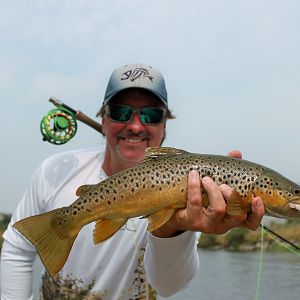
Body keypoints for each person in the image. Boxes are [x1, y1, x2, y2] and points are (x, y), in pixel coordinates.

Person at [0, 63, 264, 300]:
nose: (136, 126)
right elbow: (17, 250)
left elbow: (168, 286)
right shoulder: (55, 170)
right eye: (120, 112)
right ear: (103, 119)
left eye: (150, 115)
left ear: (164, 126)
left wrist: (171, 229)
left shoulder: (191, 191)